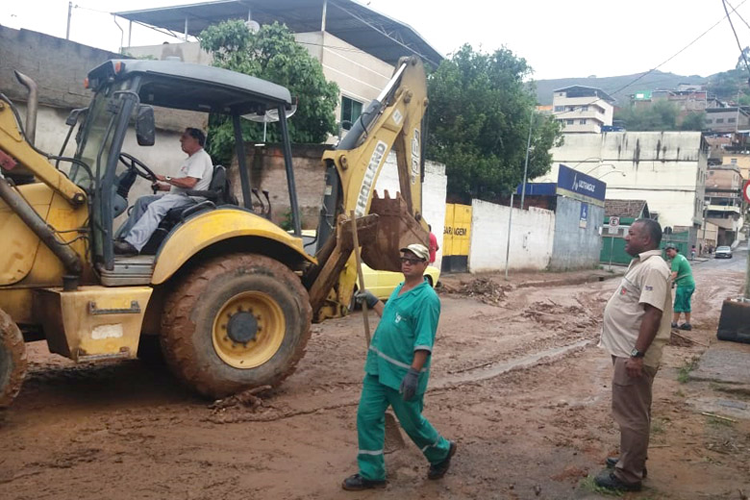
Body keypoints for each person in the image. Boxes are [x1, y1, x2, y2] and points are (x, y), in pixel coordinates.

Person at [342, 243, 455, 491]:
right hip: (378, 369)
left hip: (403, 375)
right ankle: (372, 474)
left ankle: (441, 451)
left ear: (425, 265)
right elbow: (392, 318)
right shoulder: (400, 288)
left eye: (413, 260)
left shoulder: (427, 299)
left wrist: (413, 374)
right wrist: (373, 301)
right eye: (404, 258)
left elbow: (424, 342)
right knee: (367, 417)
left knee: (411, 422)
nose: (406, 263)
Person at [596, 218, 672, 493]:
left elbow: (653, 314)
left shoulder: (653, 268)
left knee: (632, 415)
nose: (625, 238)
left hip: (633, 353)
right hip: (626, 350)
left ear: (647, 240)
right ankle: (633, 460)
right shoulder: (643, 264)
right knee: (634, 411)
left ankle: (629, 475)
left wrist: (637, 355)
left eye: (631, 234)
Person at [114, 128, 213, 255]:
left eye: (185, 137)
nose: (180, 140)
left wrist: (165, 178)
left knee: (157, 206)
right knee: (143, 201)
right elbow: (185, 185)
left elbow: (190, 183)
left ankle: (133, 244)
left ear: (196, 140)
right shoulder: (191, 159)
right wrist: (163, 187)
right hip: (181, 195)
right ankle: (125, 239)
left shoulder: (200, 157)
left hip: (191, 199)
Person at [665, 244, 696, 331]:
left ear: (675, 249)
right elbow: (679, 274)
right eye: (666, 251)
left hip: (683, 285)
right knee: (686, 303)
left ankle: (674, 323)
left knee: (678, 304)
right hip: (690, 284)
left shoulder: (676, 260)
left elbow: (674, 274)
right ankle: (687, 323)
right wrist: (673, 282)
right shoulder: (681, 257)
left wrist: (665, 281)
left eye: (669, 251)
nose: (668, 253)